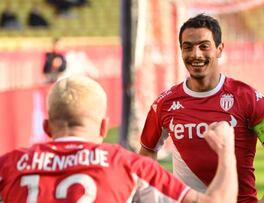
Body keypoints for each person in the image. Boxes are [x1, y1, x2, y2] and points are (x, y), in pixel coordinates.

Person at [0, 75, 238, 203]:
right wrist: (226, 150)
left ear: (46, 127)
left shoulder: (8, 166)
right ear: (104, 126)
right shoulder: (131, 166)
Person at [139, 14, 264, 203]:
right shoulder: (164, 104)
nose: (196, 54)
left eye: (204, 46)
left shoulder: (248, 98)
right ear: (181, 50)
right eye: (188, 47)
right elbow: (147, 151)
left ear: (219, 49)